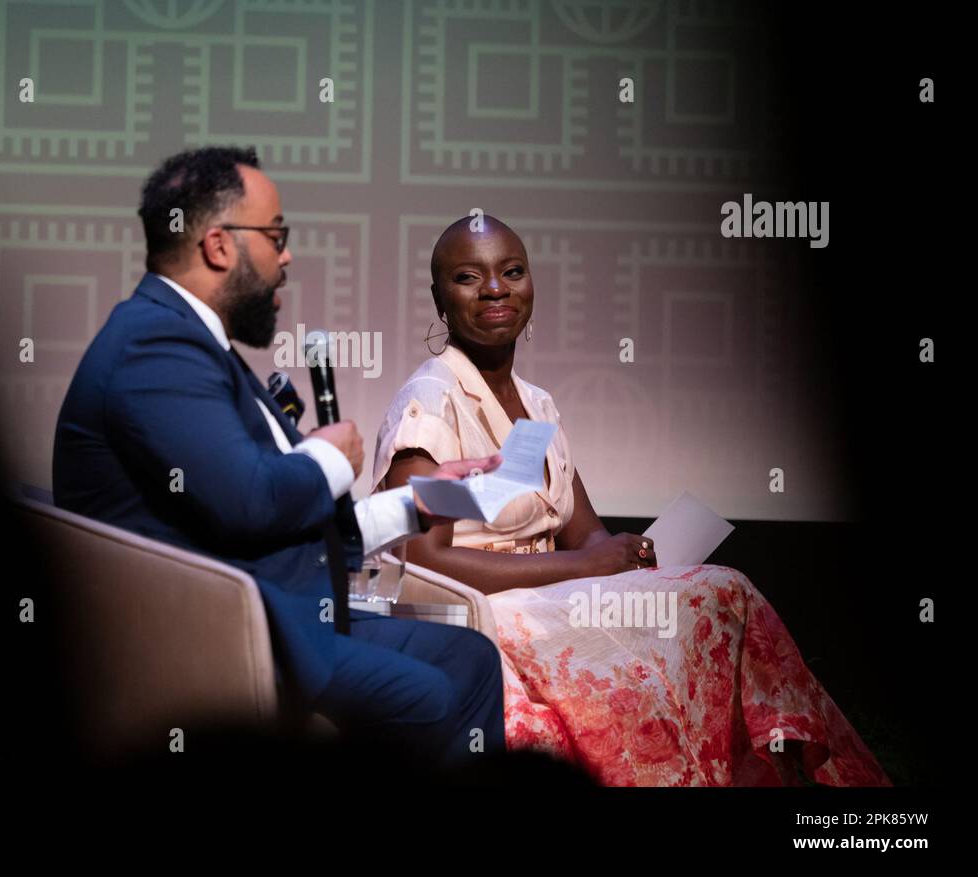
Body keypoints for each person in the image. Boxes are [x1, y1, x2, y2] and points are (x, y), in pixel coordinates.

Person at [373, 214, 891, 785]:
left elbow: (584, 533)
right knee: (719, 592)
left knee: (713, 592)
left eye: (512, 272)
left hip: (552, 600)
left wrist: (625, 556)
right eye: (469, 277)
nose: (496, 288)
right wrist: (585, 565)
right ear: (440, 299)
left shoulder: (536, 405)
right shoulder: (432, 399)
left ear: (531, 286)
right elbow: (421, 558)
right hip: (482, 614)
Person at [53, 147, 506, 767]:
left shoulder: (197, 343)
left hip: (290, 605)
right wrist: (330, 458)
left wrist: (417, 503)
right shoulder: (153, 345)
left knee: (471, 658)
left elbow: (277, 512)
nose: (286, 256)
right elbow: (252, 501)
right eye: (276, 235)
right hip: (218, 632)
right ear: (217, 245)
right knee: (425, 694)